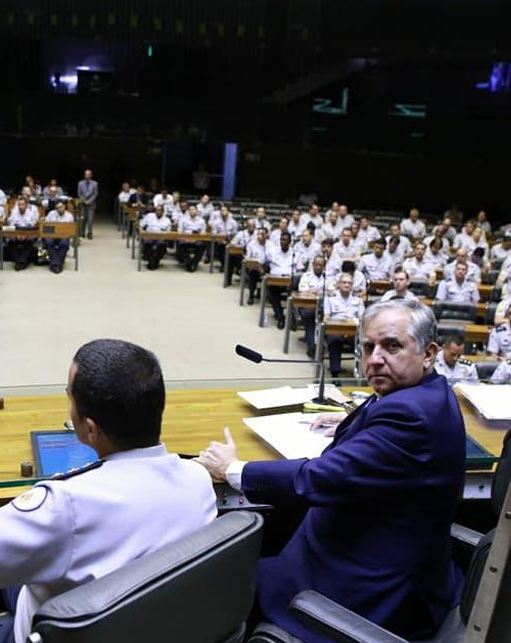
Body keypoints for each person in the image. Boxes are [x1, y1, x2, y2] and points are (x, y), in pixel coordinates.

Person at [0, 339, 217, 643]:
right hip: (144, 626)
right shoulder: (199, 480)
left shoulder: (63, 507)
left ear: (90, 430)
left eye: (69, 397)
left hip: (49, 633)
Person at [197, 299, 464, 642]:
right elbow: (395, 426)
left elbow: (315, 479)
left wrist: (234, 469)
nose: (375, 358)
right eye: (368, 347)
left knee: (218, 582)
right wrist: (355, 417)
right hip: (378, 545)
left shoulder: (410, 418)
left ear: (428, 353)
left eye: (392, 346)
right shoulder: (429, 391)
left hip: (360, 583)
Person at [322, 273, 365, 379]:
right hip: (335, 330)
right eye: (344, 282)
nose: (346, 285)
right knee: (335, 339)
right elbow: (326, 317)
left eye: (349, 283)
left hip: (353, 331)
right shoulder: (330, 298)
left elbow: (361, 318)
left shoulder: (358, 299)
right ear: (338, 284)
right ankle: (335, 373)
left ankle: (361, 373)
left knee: (362, 341)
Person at [298, 255, 326, 357]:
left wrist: (315, 292)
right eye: (316, 265)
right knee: (311, 317)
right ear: (313, 265)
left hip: (323, 307)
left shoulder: (327, 278)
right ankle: (312, 347)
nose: (318, 267)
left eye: (321, 265)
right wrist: (317, 292)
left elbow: (332, 291)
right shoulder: (306, 276)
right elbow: (303, 291)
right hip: (307, 306)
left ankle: (319, 346)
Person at [265, 233, 294, 330]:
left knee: (294, 294)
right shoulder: (273, 252)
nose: (283, 242)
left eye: (285, 240)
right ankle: (280, 318)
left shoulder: (295, 254)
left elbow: (299, 269)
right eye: (281, 240)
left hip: (290, 282)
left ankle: (292, 319)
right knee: (272, 293)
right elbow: (266, 265)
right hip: (275, 281)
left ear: (290, 242)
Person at [6, 197, 39, 271]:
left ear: (26, 205)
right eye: (19, 205)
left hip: (28, 234)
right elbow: (11, 224)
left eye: (22, 205)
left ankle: (21, 262)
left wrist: (26, 235)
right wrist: (17, 235)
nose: (20, 207)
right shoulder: (14, 211)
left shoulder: (31, 212)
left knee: (30, 242)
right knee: (10, 242)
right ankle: (20, 262)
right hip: (16, 234)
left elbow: (34, 225)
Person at [44, 200, 75, 274]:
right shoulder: (51, 214)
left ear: (64, 207)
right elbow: (46, 225)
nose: (59, 209)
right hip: (52, 235)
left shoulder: (69, 216)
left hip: (64, 236)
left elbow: (70, 230)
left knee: (64, 244)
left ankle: (56, 264)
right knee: (48, 242)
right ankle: (57, 264)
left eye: (61, 207)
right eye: (57, 208)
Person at [177, 205, 207, 272]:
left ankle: (193, 263)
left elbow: (203, 233)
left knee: (201, 245)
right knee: (181, 244)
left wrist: (196, 239)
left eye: (193, 209)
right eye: (190, 210)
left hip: (197, 239)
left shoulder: (201, 221)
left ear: (197, 211)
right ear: (188, 211)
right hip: (185, 238)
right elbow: (180, 231)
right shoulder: (183, 219)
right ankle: (189, 263)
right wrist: (186, 239)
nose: (192, 211)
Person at [140, 205, 172, 270]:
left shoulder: (167, 220)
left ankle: (153, 262)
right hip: (149, 236)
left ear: (163, 212)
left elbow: (168, 232)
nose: (158, 212)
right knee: (147, 244)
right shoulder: (149, 216)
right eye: (157, 210)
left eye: (160, 210)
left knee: (162, 245)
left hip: (161, 237)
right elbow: (141, 226)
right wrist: (143, 233)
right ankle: (153, 263)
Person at [77, 169, 98, 239]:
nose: (87, 175)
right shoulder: (80, 183)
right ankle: (82, 232)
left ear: (91, 175)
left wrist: (89, 201)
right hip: (83, 204)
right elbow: (79, 194)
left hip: (91, 204)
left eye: (89, 174)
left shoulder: (95, 183)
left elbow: (95, 194)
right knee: (83, 219)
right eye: (86, 174)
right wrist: (84, 201)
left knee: (90, 219)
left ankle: (90, 233)